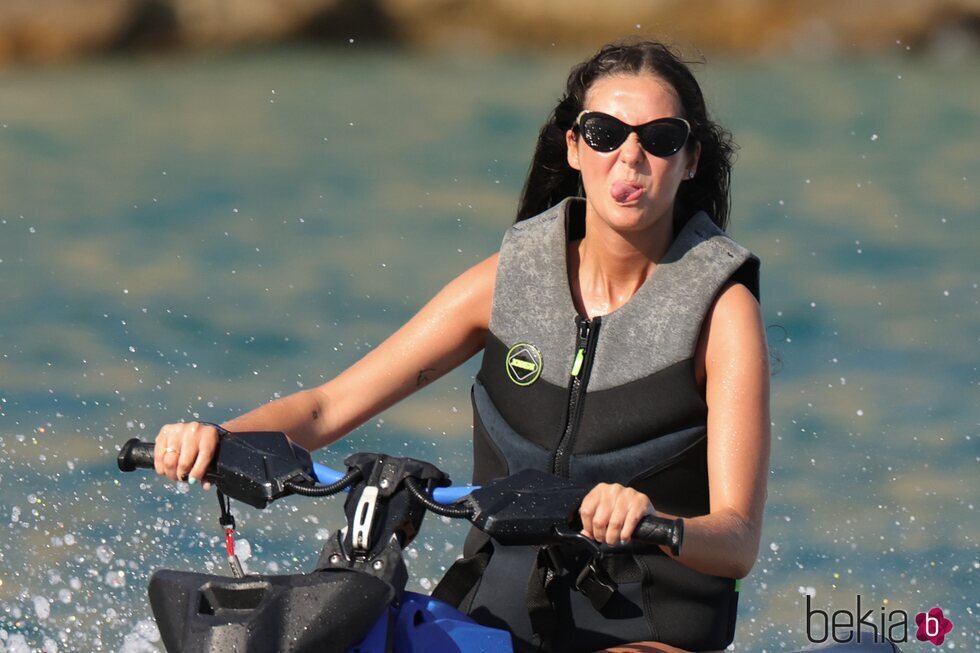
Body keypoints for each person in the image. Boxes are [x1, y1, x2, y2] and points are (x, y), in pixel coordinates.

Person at [152, 40, 770, 653]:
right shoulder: (508, 281)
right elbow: (325, 410)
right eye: (606, 132)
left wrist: (649, 521)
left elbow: (736, 541)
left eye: (659, 138)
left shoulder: (722, 312)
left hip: (644, 630)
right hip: (493, 617)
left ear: (690, 159)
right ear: (575, 147)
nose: (630, 157)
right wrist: (219, 438)